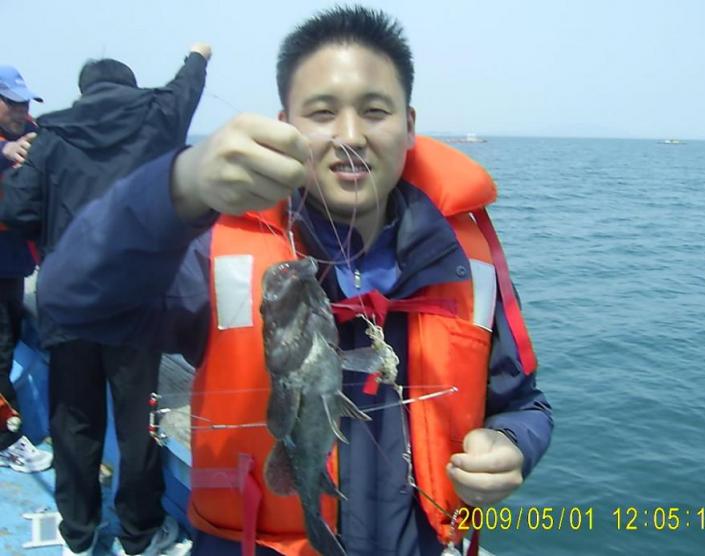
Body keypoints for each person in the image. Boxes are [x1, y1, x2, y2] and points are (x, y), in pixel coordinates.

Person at [38, 7, 553, 556]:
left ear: (409, 125)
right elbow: (70, 299)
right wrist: (179, 186)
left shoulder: (467, 264)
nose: (350, 135)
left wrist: (512, 444)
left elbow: (524, 404)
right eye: (323, 112)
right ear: (286, 125)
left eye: (375, 111)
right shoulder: (215, 252)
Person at [1, 44, 212, 556]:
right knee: (137, 422)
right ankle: (141, 532)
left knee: (74, 421)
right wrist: (197, 56)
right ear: (130, 88)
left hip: (68, 305)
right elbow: (185, 90)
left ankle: (78, 531)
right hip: (136, 308)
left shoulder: (51, 137)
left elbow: (17, 211)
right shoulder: (156, 119)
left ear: (84, 91)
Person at [0, 65, 52, 474]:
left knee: (10, 339)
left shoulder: (32, 131)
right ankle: (6, 439)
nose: (20, 111)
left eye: (24, 103)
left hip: (13, 262)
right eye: (11, 103)